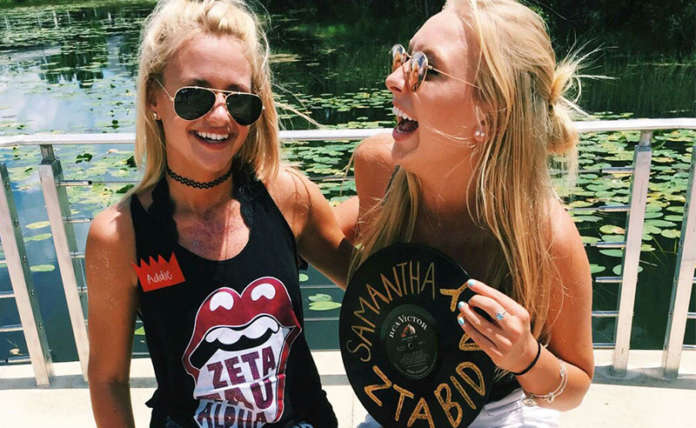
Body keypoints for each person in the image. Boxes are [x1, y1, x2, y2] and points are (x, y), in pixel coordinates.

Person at [85, 1, 351, 426]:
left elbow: (372, 285)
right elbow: (107, 379)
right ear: (154, 98)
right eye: (195, 96)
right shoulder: (120, 235)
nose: (221, 115)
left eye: (239, 100)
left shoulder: (287, 196)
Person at [335, 0, 594, 426]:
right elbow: (318, 237)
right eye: (403, 57)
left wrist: (526, 357)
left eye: (426, 68)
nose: (393, 78)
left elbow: (575, 389)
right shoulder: (380, 170)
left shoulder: (544, 233)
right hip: (395, 410)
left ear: (488, 117)